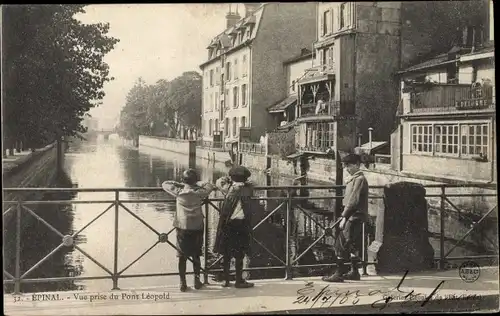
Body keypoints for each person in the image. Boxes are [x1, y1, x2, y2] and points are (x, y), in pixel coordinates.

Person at [162, 169, 215, 292]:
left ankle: (182, 283)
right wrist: (198, 184)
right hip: (197, 226)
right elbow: (210, 186)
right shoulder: (200, 193)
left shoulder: (179, 192)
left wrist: (180, 183)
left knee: (182, 256)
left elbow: (165, 184)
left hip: (182, 227)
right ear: (195, 180)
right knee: (196, 254)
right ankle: (197, 281)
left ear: (184, 180)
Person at [322, 153, 369, 283]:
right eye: (345, 166)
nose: (346, 168)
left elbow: (353, 201)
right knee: (353, 244)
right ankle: (354, 272)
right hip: (354, 215)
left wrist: (344, 217)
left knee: (341, 243)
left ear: (356, 165)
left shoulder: (359, 179)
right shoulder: (355, 178)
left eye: (348, 165)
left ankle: (339, 274)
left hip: (354, 216)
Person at [214, 166, 255, 288]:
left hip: (228, 225)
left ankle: (226, 280)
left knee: (226, 253)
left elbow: (218, 182)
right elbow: (251, 185)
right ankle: (239, 280)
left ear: (232, 177)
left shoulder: (228, 189)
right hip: (242, 225)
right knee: (240, 254)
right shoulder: (248, 189)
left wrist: (227, 179)